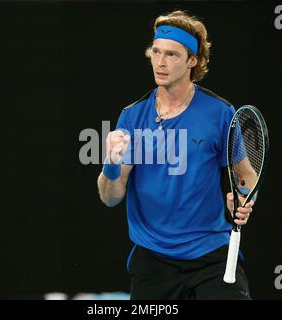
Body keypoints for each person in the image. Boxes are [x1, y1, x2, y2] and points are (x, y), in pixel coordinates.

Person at [97, 10, 255, 300]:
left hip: (210, 255)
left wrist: (244, 198)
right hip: (154, 262)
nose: (160, 62)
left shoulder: (220, 114)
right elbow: (110, 198)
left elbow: (245, 176)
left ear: (193, 61)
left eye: (172, 54)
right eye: (156, 52)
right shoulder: (132, 117)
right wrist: (110, 164)